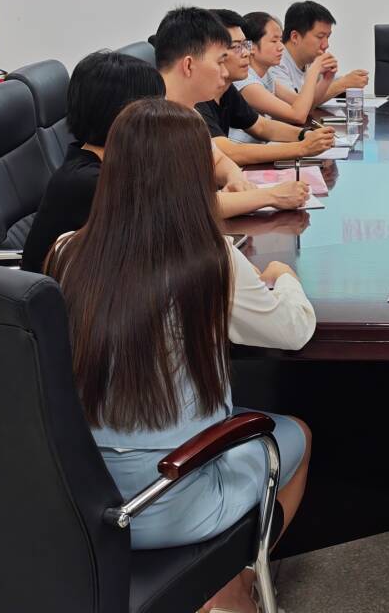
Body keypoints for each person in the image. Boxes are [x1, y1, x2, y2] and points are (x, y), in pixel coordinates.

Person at [47, 98, 314, 613]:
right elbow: (294, 330)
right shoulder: (210, 259)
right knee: (296, 435)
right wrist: (284, 278)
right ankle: (232, 583)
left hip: (80, 493)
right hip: (174, 495)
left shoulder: (66, 251)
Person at [21, 50, 312, 274]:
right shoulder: (89, 182)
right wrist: (271, 196)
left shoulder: (118, 161)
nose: (161, 115)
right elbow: (185, 208)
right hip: (77, 319)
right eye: (153, 107)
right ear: (124, 116)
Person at [197, 9, 337, 164]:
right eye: (237, 46)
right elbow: (229, 152)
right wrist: (302, 147)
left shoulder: (227, 89)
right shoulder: (197, 98)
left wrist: (305, 134)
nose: (246, 53)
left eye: (245, 45)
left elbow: (261, 126)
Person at [233, 11, 333, 130]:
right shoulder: (246, 82)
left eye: (280, 40)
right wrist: (313, 71)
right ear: (251, 47)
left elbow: (305, 105)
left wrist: (327, 79)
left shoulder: (267, 75)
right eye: (274, 41)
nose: (281, 47)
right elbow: (298, 115)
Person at [268, 0, 368, 108]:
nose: (326, 45)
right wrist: (343, 84)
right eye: (320, 37)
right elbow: (297, 107)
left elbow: (333, 82)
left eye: (328, 37)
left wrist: (350, 80)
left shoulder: (309, 61)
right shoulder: (275, 63)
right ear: (295, 37)